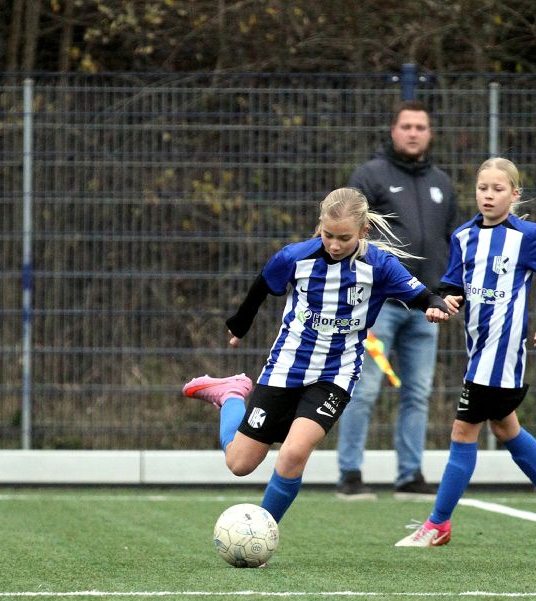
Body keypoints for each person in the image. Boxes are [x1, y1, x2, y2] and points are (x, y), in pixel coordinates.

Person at [182, 188, 452, 530]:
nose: (334, 245)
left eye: (344, 238)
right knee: (240, 464)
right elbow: (262, 285)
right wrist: (239, 325)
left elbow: (422, 295)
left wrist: (436, 305)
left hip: (336, 374)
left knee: (294, 453)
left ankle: (263, 530)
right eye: (328, 235)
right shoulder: (295, 257)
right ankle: (231, 395)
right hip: (286, 366)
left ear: (363, 231)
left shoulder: (380, 266)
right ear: (320, 226)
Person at [396, 158, 536, 548]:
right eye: (483, 188)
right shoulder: (463, 236)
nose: (489, 196)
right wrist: (443, 303)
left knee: (463, 430)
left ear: (514, 195)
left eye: (498, 189)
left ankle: (438, 524)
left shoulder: (527, 236)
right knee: (505, 428)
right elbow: (451, 286)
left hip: (502, 353)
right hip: (477, 350)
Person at [335, 99, 461, 500]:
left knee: (418, 393)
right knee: (363, 389)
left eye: (420, 127)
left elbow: (451, 243)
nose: (413, 133)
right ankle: (350, 474)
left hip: (426, 308)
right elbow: (349, 235)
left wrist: (446, 292)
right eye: (406, 126)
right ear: (393, 131)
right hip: (378, 307)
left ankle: (410, 475)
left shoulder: (442, 183)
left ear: (430, 133)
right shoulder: (369, 176)